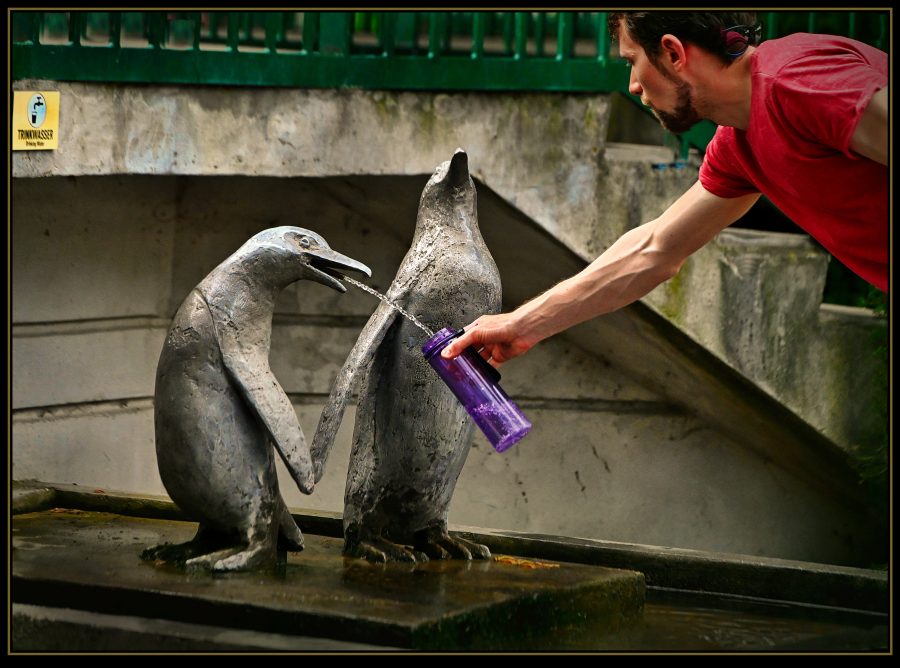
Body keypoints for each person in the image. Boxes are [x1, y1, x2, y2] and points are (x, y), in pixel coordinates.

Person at [441, 11, 888, 367]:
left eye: (632, 61)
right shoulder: (740, 142)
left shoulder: (797, 82)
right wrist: (522, 324)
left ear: (673, 53)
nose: (633, 85)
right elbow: (654, 251)